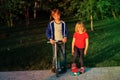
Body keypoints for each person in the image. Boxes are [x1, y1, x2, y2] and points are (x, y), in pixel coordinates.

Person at [46, 9, 68, 73]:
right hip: (54, 42)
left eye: (57, 15)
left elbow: (66, 31)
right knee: (55, 55)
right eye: (54, 15)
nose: (56, 17)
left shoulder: (63, 23)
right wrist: (50, 38)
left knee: (63, 55)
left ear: (60, 15)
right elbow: (47, 32)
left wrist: (65, 37)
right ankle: (54, 67)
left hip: (62, 42)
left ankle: (63, 66)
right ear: (53, 16)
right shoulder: (51, 24)